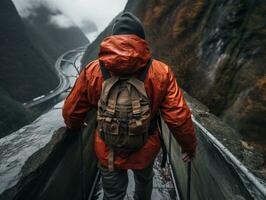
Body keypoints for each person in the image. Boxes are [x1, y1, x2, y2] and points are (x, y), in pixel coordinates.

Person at [63, 12, 197, 200]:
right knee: (144, 183)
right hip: (145, 147)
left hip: (108, 148)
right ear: (141, 38)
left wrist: (75, 125)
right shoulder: (161, 72)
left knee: (113, 194)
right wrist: (188, 147)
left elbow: (71, 109)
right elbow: (179, 116)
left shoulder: (92, 70)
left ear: (112, 37)